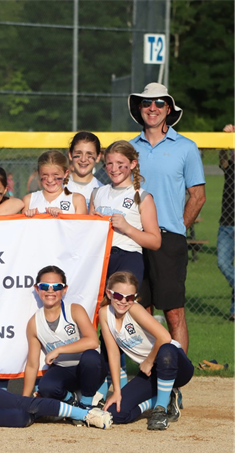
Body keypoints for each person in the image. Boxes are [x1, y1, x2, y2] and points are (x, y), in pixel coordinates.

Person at [127, 82, 204, 355]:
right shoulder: (128, 149)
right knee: (141, 311)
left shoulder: (186, 147)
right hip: (134, 239)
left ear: (168, 109)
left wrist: (177, 229)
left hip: (168, 238)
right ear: (139, 107)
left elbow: (197, 196)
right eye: (147, 103)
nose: (153, 108)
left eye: (160, 103)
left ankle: (177, 381)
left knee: (174, 313)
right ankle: (152, 378)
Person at [90, 140, 162, 397]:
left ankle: (157, 372)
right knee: (101, 319)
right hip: (101, 258)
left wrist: (128, 228)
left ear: (132, 164)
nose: (114, 168)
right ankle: (105, 382)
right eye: (109, 163)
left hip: (129, 257)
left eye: (121, 164)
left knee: (121, 317)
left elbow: (154, 240)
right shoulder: (98, 193)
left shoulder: (142, 196)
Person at [98, 271, 192, 430]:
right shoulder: (105, 314)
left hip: (175, 367)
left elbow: (165, 337)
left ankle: (160, 411)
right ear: (109, 293)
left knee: (166, 350)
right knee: (117, 413)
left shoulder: (134, 309)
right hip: (151, 372)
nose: (123, 301)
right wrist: (117, 392)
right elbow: (113, 353)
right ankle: (165, 399)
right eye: (118, 296)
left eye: (129, 297)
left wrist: (149, 361)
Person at [21, 266, 105, 410]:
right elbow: (32, 365)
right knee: (46, 387)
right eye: (45, 286)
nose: (50, 290)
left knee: (91, 357)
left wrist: (59, 350)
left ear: (64, 290)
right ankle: (72, 399)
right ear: (37, 289)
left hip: (89, 369)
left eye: (57, 287)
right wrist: (24, 401)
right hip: (64, 370)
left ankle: (86, 404)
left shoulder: (75, 310)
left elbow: (92, 341)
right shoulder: (33, 323)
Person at [21, 151, 88, 216]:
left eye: (55, 175)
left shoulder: (77, 200)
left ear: (65, 173)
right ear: (39, 174)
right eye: (45, 175)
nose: (50, 180)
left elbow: (80, 226)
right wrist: (30, 219)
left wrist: (62, 217)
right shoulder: (29, 200)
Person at [218, 124, 235, 322]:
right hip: (226, 224)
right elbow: (222, 158)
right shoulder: (229, 168)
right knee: (223, 263)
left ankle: (233, 310)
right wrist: (225, 140)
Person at [66, 132, 104, 211]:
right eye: (78, 154)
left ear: (98, 157)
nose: (83, 159)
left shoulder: (102, 191)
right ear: (70, 155)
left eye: (89, 154)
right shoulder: (58, 187)